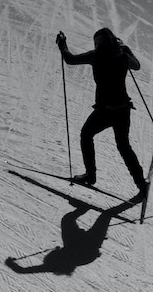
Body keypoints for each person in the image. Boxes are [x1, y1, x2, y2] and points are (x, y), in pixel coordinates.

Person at [56, 27, 147, 198]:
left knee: (86, 134)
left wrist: (63, 45)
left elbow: (70, 60)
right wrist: (126, 51)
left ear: (99, 42)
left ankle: (90, 175)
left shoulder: (96, 55)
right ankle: (141, 184)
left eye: (96, 41)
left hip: (105, 110)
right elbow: (137, 66)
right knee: (124, 146)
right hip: (122, 109)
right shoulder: (122, 53)